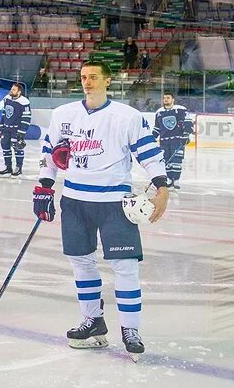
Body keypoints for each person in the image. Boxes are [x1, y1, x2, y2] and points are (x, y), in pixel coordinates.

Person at [34, 61, 170, 359]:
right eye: (83, 77)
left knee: (125, 266)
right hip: (74, 200)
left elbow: (148, 152)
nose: (88, 82)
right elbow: (49, 153)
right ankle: (93, 321)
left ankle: (130, 329)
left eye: (94, 77)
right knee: (81, 262)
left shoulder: (127, 117)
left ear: (108, 81)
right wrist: (44, 187)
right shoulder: (63, 115)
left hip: (112, 203)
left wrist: (162, 186)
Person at [153, 93, 192, 190]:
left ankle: (176, 181)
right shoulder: (159, 112)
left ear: (173, 99)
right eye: (164, 98)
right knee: (166, 161)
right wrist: (152, 138)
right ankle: (169, 180)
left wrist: (186, 135)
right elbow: (157, 128)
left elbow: (187, 122)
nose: (166, 99)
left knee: (176, 161)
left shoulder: (180, 110)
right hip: (164, 142)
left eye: (168, 98)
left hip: (177, 140)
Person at [0, 82, 32, 177]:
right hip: (6, 129)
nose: (11, 91)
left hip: (16, 129)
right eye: (11, 89)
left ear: (19, 92)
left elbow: (27, 118)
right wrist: (0, 126)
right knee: (5, 147)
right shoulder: (7, 99)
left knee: (17, 148)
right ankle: (8, 167)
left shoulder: (24, 102)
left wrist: (22, 132)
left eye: (13, 89)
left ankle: (18, 168)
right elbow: (4, 113)